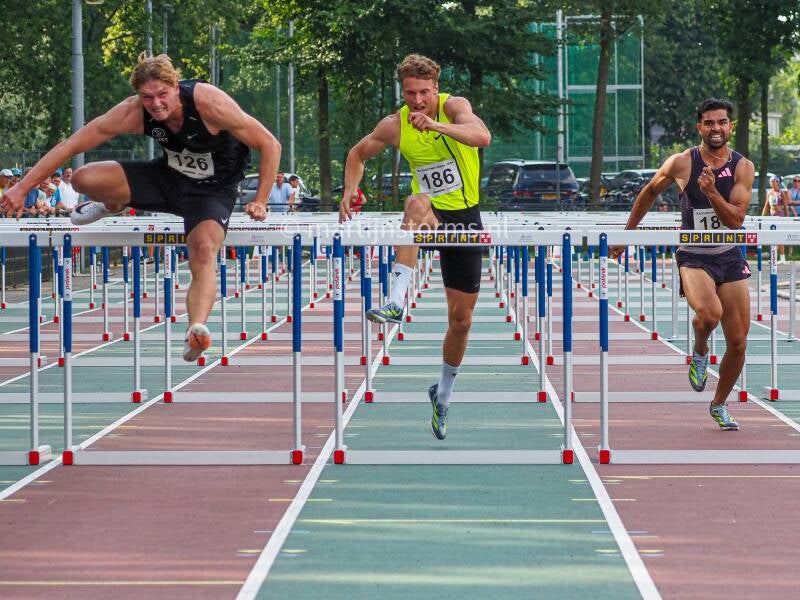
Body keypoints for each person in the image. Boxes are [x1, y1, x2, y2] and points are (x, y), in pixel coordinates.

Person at [0, 53, 280, 362]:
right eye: (147, 97)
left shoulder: (208, 103)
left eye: (162, 95)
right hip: (167, 179)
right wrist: (22, 186)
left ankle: (195, 329)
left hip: (212, 192)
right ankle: (113, 203)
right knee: (83, 178)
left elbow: (270, 143)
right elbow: (71, 145)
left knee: (203, 251)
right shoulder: (133, 112)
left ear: (176, 86)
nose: (156, 104)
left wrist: (261, 199)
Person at [340, 53, 491, 440]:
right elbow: (358, 153)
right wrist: (350, 190)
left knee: (462, 320)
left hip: (465, 216)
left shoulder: (454, 107)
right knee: (414, 203)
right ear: (402, 92)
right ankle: (395, 299)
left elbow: (482, 136)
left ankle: (442, 394)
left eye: (424, 92)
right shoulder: (395, 125)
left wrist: (438, 125)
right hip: (430, 212)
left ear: (436, 89)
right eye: (411, 93)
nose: (418, 101)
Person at [611, 98, 754, 430]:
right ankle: (700, 349)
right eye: (709, 122)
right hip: (693, 256)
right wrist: (627, 235)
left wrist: (713, 193)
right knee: (709, 314)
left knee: (739, 341)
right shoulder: (681, 163)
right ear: (699, 127)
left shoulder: (742, 167)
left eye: (722, 122)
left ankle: (718, 404)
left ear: (730, 126)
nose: (716, 128)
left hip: (730, 255)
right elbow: (648, 192)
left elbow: (736, 221)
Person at [761, 175, 794, 263]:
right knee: (774, 238)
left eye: (774, 181)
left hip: (780, 217)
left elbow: (786, 207)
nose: (772, 183)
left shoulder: (782, 193)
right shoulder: (769, 193)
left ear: (778, 183)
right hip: (772, 217)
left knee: (779, 237)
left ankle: (778, 258)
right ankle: (778, 258)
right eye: (771, 181)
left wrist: (787, 218)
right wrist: (762, 218)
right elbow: (766, 206)